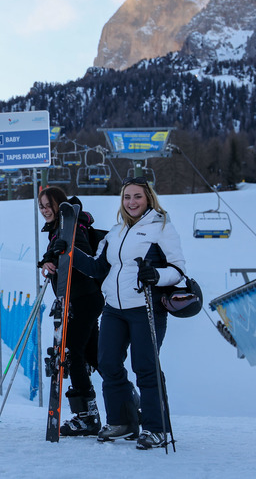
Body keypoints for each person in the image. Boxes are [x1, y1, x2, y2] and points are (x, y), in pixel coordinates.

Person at [72, 176, 185, 450]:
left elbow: (178, 270)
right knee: (108, 363)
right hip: (114, 308)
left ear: (148, 199)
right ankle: (123, 422)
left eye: (137, 196)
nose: (131, 202)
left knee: (145, 367)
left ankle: (157, 429)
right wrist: (69, 253)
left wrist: (156, 274)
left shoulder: (161, 227)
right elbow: (99, 268)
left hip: (146, 307)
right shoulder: (117, 230)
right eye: (127, 197)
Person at [37, 186, 105, 437]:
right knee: (94, 355)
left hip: (83, 298)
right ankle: (127, 402)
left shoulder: (74, 226)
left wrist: (62, 252)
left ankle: (86, 415)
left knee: (72, 353)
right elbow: (58, 254)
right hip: (80, 299)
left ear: (60, 204)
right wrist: (48, 259)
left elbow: (85, 257)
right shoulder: (59, 229)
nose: (45, 210)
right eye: (41, 206)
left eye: (48, 205)